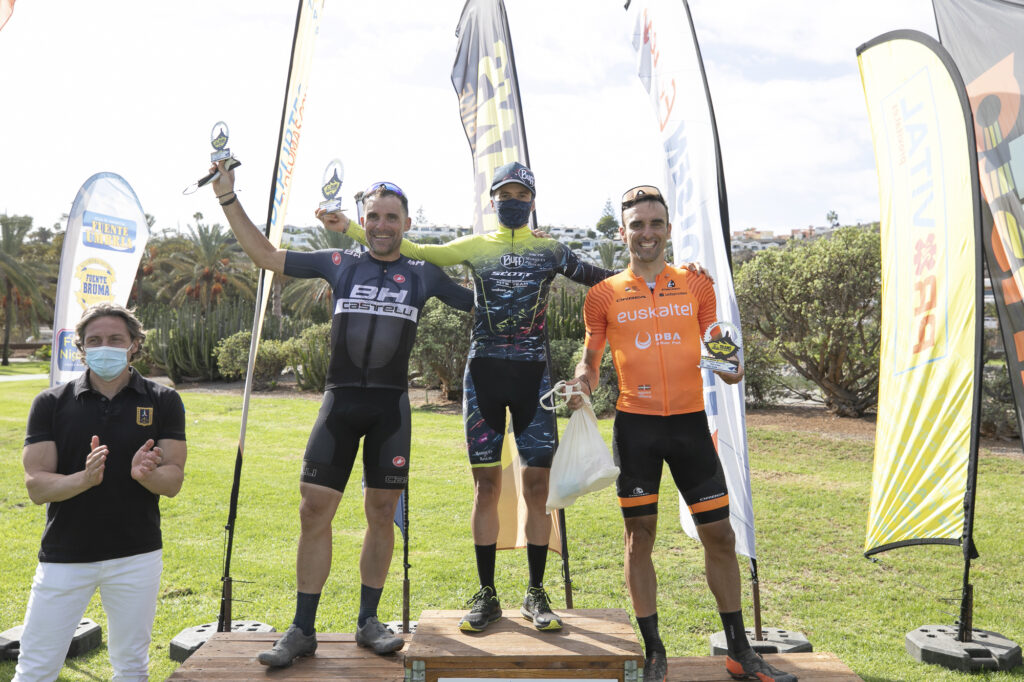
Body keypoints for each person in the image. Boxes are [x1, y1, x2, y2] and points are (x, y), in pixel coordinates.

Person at [320, 162, 616, 633]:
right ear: (493, 201)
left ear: (533, 201)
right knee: (486, 489)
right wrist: (350, 228)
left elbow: (607, 280)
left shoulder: (550, 250)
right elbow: (417, 250)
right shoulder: (476, 246)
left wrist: (669, 273)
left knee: (538, 491)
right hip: (483, 377)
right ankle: (487, 594)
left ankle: (536, 592)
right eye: (505, 194)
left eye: (521, 194)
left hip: (534, 379)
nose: (513, 201)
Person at [209, 161, 473, 667]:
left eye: (391, 217)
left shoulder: (425, 274)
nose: (382, 225)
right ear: (362, 220)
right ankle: (302, 629)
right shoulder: (338, 262)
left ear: (407, 224)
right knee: (313, 510)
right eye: (373, 216)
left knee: (381, 514)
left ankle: (369, 621)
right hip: (339, 404)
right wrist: (227, 197)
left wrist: (524, 258)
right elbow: (265, 255)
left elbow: (484, 304)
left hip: (390, 410)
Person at [566, 186, 796, 682]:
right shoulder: (603, 295)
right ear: (623, 232)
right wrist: (581, 384)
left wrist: (730, 364)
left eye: (655, 224)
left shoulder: (696, 285)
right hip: (637, 428)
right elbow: (591, 362)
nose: (646, 233)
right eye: (637, 225)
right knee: (639, 538)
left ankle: (740, 651)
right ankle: (654, 651)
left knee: (720, 535)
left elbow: (723, 357)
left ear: (668, 230)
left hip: (691, 426)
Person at [16, 303, 187, 682]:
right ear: (80, 348)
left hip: (136, 555)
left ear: (134, 344)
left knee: (131, 668)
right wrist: (83, 479)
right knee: (35, 669)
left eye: (115, 339)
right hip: (65, 555)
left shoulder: (163, 400)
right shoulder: (50, 403)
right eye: (94, 340)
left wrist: (146, 476)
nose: (104, 347)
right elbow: (36, 486)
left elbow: (173, 480)